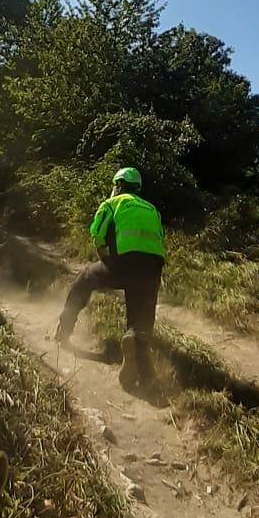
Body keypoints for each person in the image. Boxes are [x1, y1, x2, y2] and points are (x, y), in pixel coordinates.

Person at [55, 167, 166, 391]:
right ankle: (144, 371)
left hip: (123, 264)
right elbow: (159, 240)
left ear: (118, 185)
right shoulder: (152, 209)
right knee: (141, 317)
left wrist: (106, 261)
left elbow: (97, 234)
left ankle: (64, 330)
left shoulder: (112, 203)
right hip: (153, 267)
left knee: (84, 280)